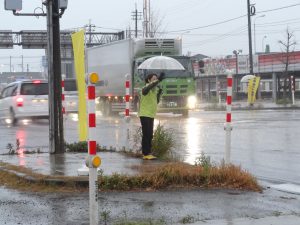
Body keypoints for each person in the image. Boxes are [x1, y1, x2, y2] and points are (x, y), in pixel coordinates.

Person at [138, 72, 165, 160]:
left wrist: (159, 93)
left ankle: (148, 152)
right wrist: (157, 81)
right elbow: (146, 90)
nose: (155, 80)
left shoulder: (154, 91)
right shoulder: (145, 88)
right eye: (154, 79)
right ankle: (145, 153)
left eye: (156, 79)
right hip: (144, 114)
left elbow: (155, 102)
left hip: (151, 114)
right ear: (149, 80)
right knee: (146, 134)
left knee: (150, 134)